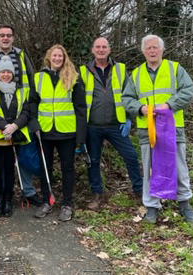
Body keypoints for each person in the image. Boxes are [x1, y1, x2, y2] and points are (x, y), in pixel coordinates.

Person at [122, 34, 193, 224]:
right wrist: (140, 109)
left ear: (162, 50)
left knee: (179, 167)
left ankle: (184, 204)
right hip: (147, 130)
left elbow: (188, 90)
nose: (152, 51)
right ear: (143, 51)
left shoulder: (175, 69)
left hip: (173, 128)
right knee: (149, 168)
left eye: (155, 47)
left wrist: (170, 105)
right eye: (148, 48)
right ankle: (151, 206)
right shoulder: (137, 74)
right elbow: (126, 99)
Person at [0, 24, 42, 206]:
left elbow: (30, 81)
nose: (5, 38)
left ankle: (26, 193)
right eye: (2, 35)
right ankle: (1, 199)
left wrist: (27, 116)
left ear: (13, 38)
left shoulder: (21, 55)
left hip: (19, 117)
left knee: (21, 160)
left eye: (9, 35)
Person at [79, 37, 143, 210]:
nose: (101, 50)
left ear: (110, 49)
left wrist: (129, 118)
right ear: (92, 50)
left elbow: (130, 95)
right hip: (92, 126)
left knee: (130, 156)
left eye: (104, 47)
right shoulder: (84, 71)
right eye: (98, 47)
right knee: (92, 161)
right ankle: (97, 194)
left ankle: (139, 190)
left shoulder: (121, 69)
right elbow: (78, 101)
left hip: (117, 125)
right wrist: (80, 129)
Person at [33, 45, 87, 222]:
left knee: (67, 168)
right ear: (49, 57)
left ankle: (67, 204)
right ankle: (47, 201)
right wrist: (34, 124)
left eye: (60, 56)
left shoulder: (73, 78)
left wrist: (80, 136)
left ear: (64, 58)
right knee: (45, 169)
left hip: (67, 132)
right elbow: (32, 104)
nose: (57, 59)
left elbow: (80, 108)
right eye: (54, 56)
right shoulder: (38, 78)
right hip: (45, 131)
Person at [0, 55, 32, 218]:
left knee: (9, 170)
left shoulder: (22, 91)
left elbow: (26, 111)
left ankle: (8, 200)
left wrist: (14, 126)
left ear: (13, 74)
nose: (5, 74)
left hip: (14, 138)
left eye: (8, 72)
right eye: (2, 72)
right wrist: (5, 126)